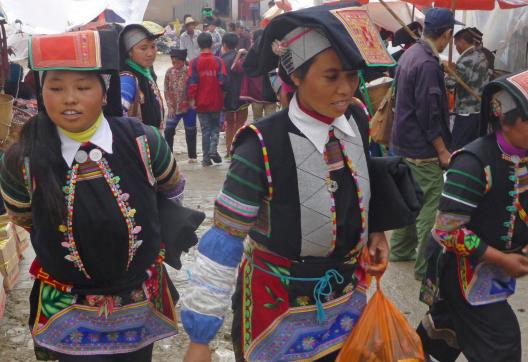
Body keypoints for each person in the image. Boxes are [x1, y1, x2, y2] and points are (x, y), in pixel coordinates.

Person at [180, 4, 400, 361]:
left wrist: (374, 232)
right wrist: (200, 338)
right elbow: (224, 240)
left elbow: (360, 181)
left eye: (352, 75)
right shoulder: (261, 144)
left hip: (346, 296)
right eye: (331, 77)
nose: (346, 89)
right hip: (276, 304)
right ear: (296, 76)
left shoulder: (357, 118)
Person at [0, 29, 185, 362]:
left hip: (139, 300)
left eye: (83, 87)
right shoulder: (21, 161)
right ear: (42, 92)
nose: (69, 99)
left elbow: (171, 191)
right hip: (68, 308)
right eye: (55, 88)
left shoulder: (145, 142)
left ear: (104, 91)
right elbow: (25, 217)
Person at [417, 69, 528, 362]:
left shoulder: (524, 155)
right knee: (501, 342)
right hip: (461, 272)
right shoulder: (473, 163)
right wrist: (503, 259)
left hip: (489, 272)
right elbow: (447, 231)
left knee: (443, 333)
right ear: (506, 119)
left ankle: (411, 351)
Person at [389, 8, 460, 280]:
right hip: (422, 148)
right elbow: (429, 114)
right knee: (432, 205)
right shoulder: (428, 63)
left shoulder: (412, 54)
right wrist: (442, 150)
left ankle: (400, 249)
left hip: (403, 143)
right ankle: (426, 266)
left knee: (410, 199)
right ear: (447, 34)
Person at [445, 28, 491, 151]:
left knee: (458, 148)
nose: (456, 48)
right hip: (479, 109)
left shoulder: (466, 60)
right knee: (474, 147)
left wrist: (446, 71)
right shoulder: (481, 55)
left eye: (456, 44)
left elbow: (450, 83)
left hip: (467, 111)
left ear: (462, 42)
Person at [188, 32, 227, 167]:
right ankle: (213, 150)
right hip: (216, 101)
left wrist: (192, 99)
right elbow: (223, 82)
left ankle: (205, 159)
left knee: (205, 130)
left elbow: (192, 83)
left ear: (198, 45)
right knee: (215, 127)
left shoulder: (194, 63)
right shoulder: (218, 61)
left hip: (201, 102)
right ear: (211, 44)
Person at [119, 22, 166, 129]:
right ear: (130, 52)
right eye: (143, 48)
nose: (150, 53)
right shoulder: (127, 80)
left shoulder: (146, 72)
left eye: (153, 47)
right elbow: (118, 118)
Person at [164, 48, 198, 163]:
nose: (175, 64)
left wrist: (193, 102)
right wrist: (170, 107)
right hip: (174, 108)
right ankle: (169, 155)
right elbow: (166, 90)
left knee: (191, 131)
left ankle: (192, 156)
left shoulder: (190, 72)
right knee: (168, 130)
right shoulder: (169, 72)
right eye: (173, 62)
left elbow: (195, 88)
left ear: (183, 61)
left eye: (177, 62)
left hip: (189, 107)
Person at [240, 29, 278, 122]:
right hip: (272, 94)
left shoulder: (251, 55)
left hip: (256, 95)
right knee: (271, 122)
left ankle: (259, 136)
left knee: (257, 122)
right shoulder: (274, 52)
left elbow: (244, 68)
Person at [221, 32, 249, 156]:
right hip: (242, 96)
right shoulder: (243, 57)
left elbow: (221, 81)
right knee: (240, 124)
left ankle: (229, 151)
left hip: (227, 97)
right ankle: (238, 150)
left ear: (224, 44)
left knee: (230, 125)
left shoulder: (222, 59)